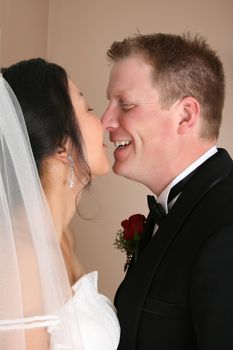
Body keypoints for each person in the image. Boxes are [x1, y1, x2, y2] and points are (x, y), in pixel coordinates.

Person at [102, 33, 233, 349]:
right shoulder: (177, 207)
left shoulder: (226, 225)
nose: (105, 121)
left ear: (185, 115)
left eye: (126, 104)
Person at [0, 58, 120, 349]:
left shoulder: (63, 237)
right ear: (61, 145)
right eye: (88, 108)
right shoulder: (19, 261)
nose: (104, 121)